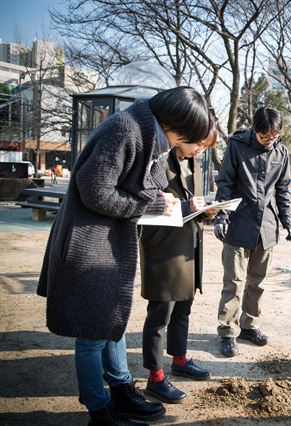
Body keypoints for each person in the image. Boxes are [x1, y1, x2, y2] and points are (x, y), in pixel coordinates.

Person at [36, 87, 212, 426]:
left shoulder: (146, 133)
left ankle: (120, 389)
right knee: (91, 334)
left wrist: (160, 189)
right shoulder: (125, 129)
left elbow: (141, 183)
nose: (184, 146)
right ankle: (99, 409)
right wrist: (153, 204)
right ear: (176, 123)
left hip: (110, 243)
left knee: (112, 324)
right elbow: (95, 189)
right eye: (188, 138)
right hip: (89, 245)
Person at [139, 124, 217, 404]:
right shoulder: (157, 160)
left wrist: (206, 211)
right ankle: (155, 378)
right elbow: (146, 205)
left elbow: (193, 203)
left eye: (206, 147)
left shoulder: (193, 163)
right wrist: (188, 208)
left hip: (189, 245)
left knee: (184, 307)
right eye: (199, 143)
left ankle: (180, 359)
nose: (200, 150)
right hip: (164, 248)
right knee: (160, 314)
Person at [213, 106, 291, 357]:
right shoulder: (237, 145)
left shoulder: (282, 152)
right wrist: (221, 216)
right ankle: (227, 331)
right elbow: (225, 182)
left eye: (274, 136)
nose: (269, 141)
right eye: (264, 137)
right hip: (238, 222)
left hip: (267, 225)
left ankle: (250, 325)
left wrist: (287, 219)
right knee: (234, 281)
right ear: (254, 130)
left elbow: (284, 189)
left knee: (257, 282)